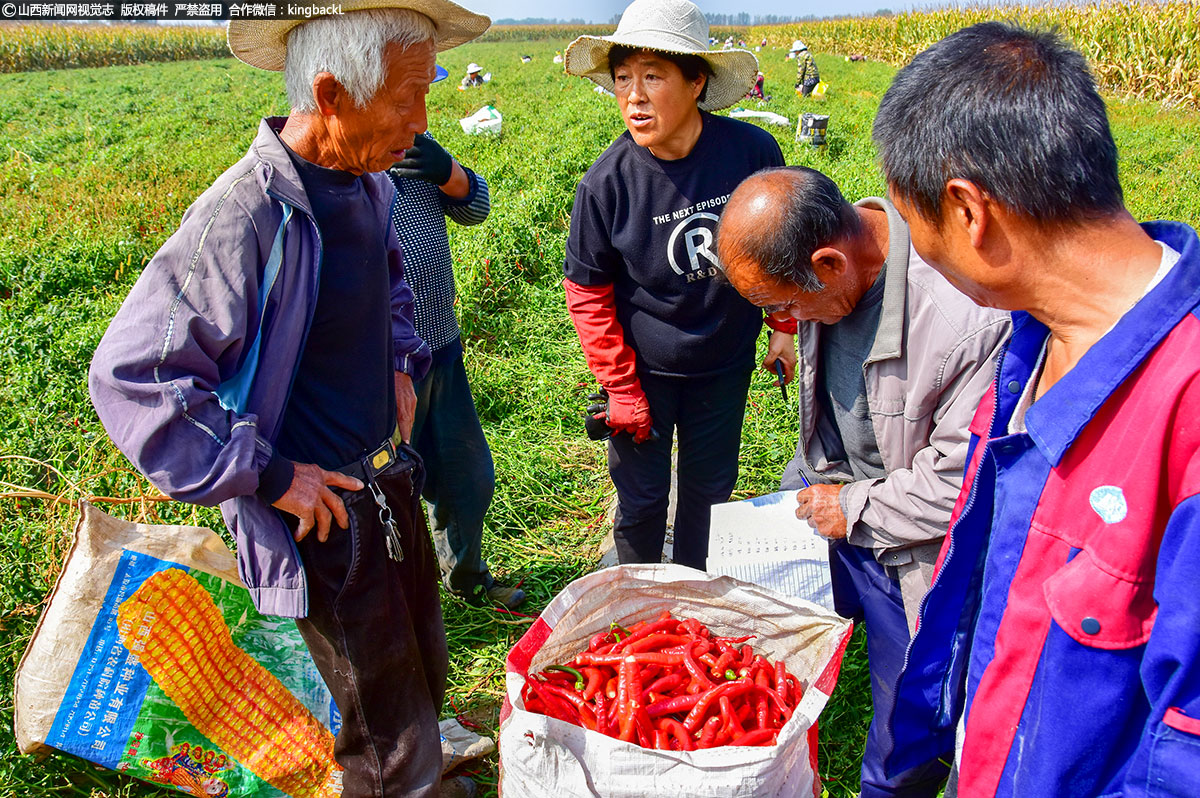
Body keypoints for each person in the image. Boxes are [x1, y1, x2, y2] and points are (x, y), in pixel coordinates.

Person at [87, 3, 491, 797]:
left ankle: (424, 774)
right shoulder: (244, 215)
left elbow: (393, 282)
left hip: (387, 476)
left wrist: (401, 363)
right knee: (375, 716)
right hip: (329, 513)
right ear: (334, 92)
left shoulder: (365, 182)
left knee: (418, 663)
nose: (421, 121)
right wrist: (271, 476)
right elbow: (135, 374)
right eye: (406, 97)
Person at [874, 23, 1200, 798]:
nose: (913, 249)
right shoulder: (1030, 340)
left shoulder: (1183, 409)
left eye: (909, 223)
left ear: (967, 213)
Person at [715, 166, 1008, 798]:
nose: (783, 323)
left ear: (828, 264)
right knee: (755, 642)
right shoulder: (841, 262)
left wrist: (851, 507)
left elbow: (960, 481)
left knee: (908, 717)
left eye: (781, 307)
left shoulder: (967, 318)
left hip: (911, 540)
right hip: (834, 493)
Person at [561, 0, 784, 570]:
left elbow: (779, 246)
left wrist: (783, 325)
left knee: (708, 498)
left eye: (653, 77)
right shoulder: (606, 183)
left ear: (696, 81)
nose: (633, 95)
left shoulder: (751, 154)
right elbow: (588, 294)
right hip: (645, 372)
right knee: (640, 503)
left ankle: (690, 606)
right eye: (622, 79)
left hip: (724, 362)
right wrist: (621, 388)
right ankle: (636, 612)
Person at [387, 127, 525, 609]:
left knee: (467, 478)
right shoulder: (342, 178)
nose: (414, 115)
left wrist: (449, 172)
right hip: (386, 373)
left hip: (442, 350)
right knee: (390, 495)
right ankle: (405, 612)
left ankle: (467, 581)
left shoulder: (408, 152)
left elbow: (475, 209)